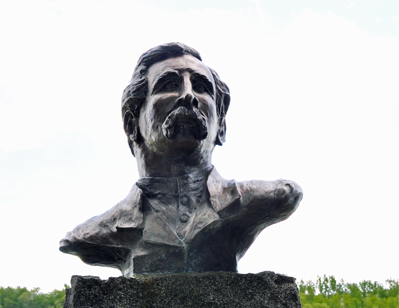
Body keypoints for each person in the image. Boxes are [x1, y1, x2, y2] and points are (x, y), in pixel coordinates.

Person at [60, 42, 303, 275]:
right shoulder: (92, 235)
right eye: (168, 85)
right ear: (132, 122)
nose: (188, 95)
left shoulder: (265, 200)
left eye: (201, 87)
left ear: (221, 126)